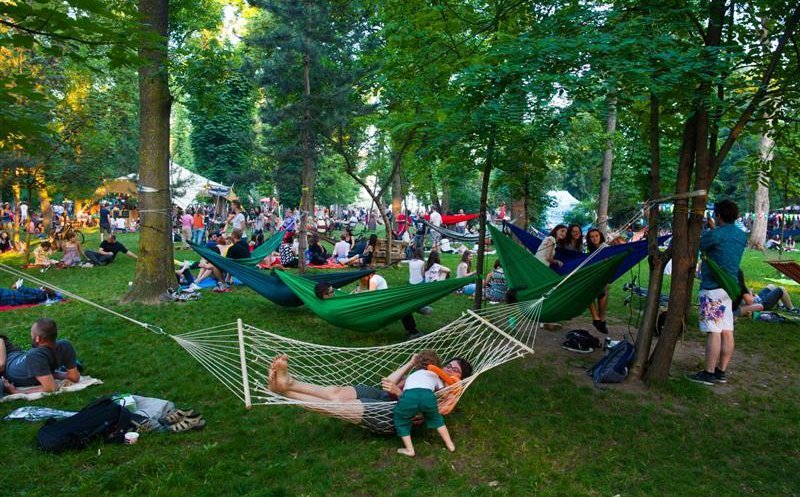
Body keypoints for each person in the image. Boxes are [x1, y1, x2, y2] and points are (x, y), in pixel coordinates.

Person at [266, 353, 472, 434]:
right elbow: (388, 383)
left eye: (456, 371)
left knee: (337, 407)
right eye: (450, 365)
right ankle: (289, 383)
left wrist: (400, 395)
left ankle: (284, 392)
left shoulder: (446, 394)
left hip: (392, 415)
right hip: (384, 396)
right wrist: (411, 363)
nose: (450, 370)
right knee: (336, 393)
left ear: (460, 378)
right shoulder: (428, 375)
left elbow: (420, 414)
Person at [688, 199, 747, 386]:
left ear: (718, 215)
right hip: (730, 288)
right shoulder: (741, 235)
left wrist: (711, 229)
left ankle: (708, 373)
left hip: (712, 288)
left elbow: (701, 245)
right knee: (727, 330)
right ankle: (721, 372)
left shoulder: (715, 235)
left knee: (713, 331)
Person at [393, 350, 456, 456]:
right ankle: (450, 444)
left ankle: (410, 449)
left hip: (409, 396)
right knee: (437, 419)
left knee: (400, 418)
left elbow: (406, 388)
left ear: (417, 364)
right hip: (428, 396)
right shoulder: (435, 375)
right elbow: (443, 392)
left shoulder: (412, 375)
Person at [1, 319, 79, 396]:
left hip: (10, 366)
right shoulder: (65, 345)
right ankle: (50, 373)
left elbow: (51, 388)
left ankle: (50, 373)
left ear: (38, 338)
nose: (30, 335)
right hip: (13, 358)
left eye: (31, 333)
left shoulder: (36, 356)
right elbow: (74, 377)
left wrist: (16, 391)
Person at [585, 228, 609, 333]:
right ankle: (598, 319)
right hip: (594, 276)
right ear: (589, 239)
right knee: (589, 293)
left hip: (603, 275)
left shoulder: (604, 247)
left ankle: (599, 318)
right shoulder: (591, 249)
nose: (594, 238)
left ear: (600, 236)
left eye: (596, 236)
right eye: (592, 237)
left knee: (602, 293)